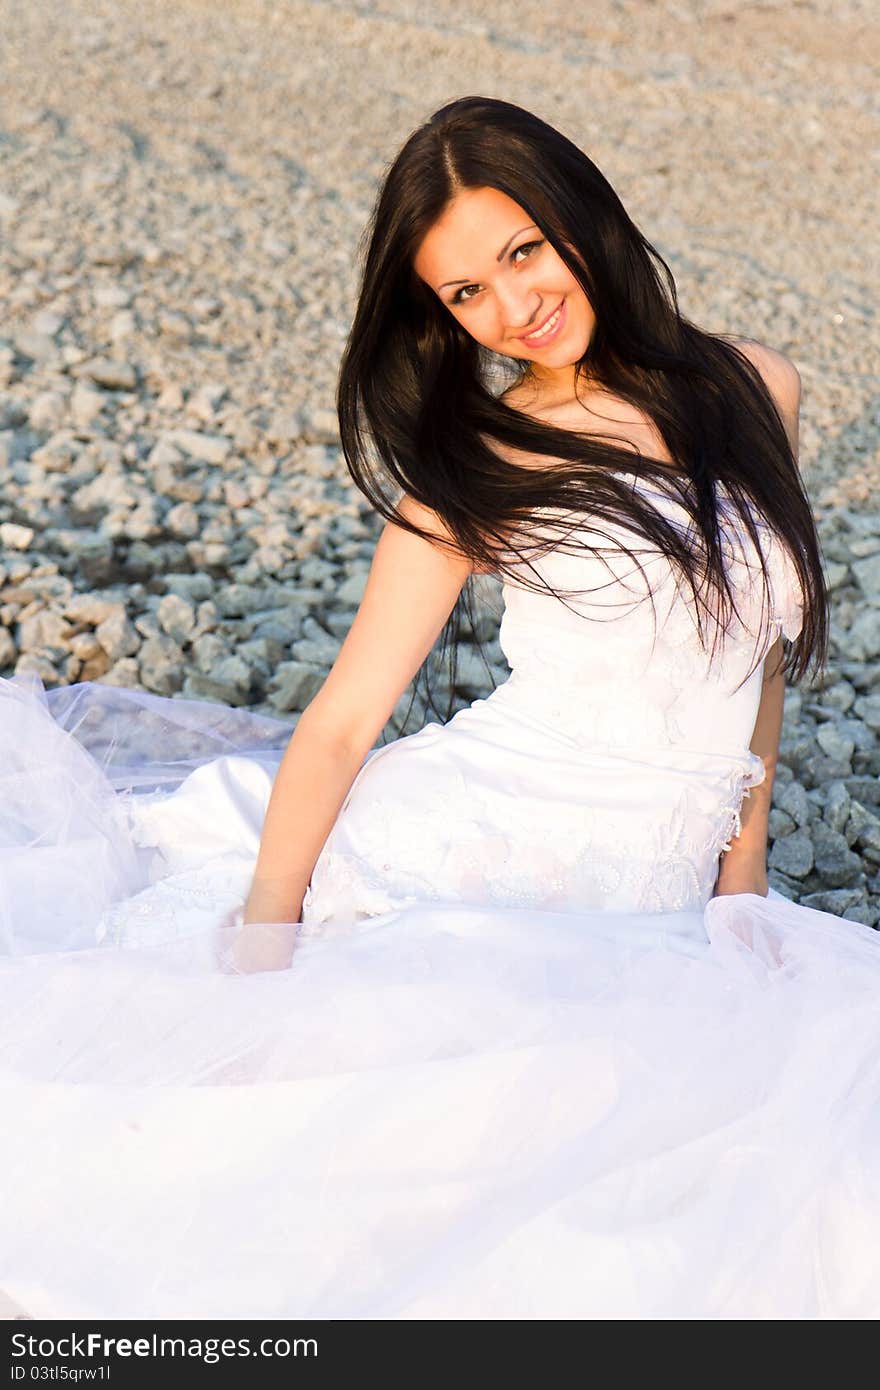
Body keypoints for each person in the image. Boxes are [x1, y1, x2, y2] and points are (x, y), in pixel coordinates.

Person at [1, 96, 878, 1321]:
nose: (514, 308)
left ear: (581, 217)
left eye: (521, 252)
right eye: (466, 293)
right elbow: (347, 716)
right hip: (479, 845)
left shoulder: (756, 385)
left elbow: (758, 664)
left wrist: (742, 883)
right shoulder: (478, 456)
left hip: (664, 874)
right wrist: (266, 943)